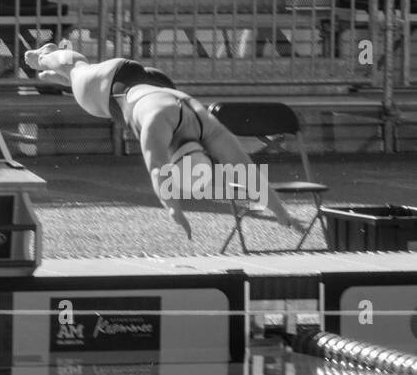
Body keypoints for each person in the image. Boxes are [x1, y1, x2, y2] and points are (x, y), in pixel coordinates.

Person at [23, 42, 303, 240]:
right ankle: (46, 56)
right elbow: (158, 170)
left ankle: (60, 77)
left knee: (79, 75)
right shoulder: (158, 127)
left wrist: (281, 211)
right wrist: (173, 209)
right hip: (115, 89)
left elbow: (247, 171)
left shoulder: (205, 125)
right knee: (77, 68)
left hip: (156, 82)